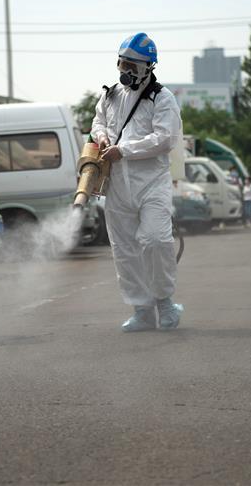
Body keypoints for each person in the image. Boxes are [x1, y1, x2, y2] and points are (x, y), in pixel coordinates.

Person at [91, 32, 184, 332]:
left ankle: (165, 302)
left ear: (148, 67)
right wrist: (101, 137)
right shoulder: (110, 95)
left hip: (151, 183)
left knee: (155, 241)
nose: (125, 71)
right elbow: (98, 122)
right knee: (125, 250)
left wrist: (124, 150)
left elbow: (165, 138)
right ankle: (141, 310)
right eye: (122, 64)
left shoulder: (162, 98)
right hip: (117, 184)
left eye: (132, 66)